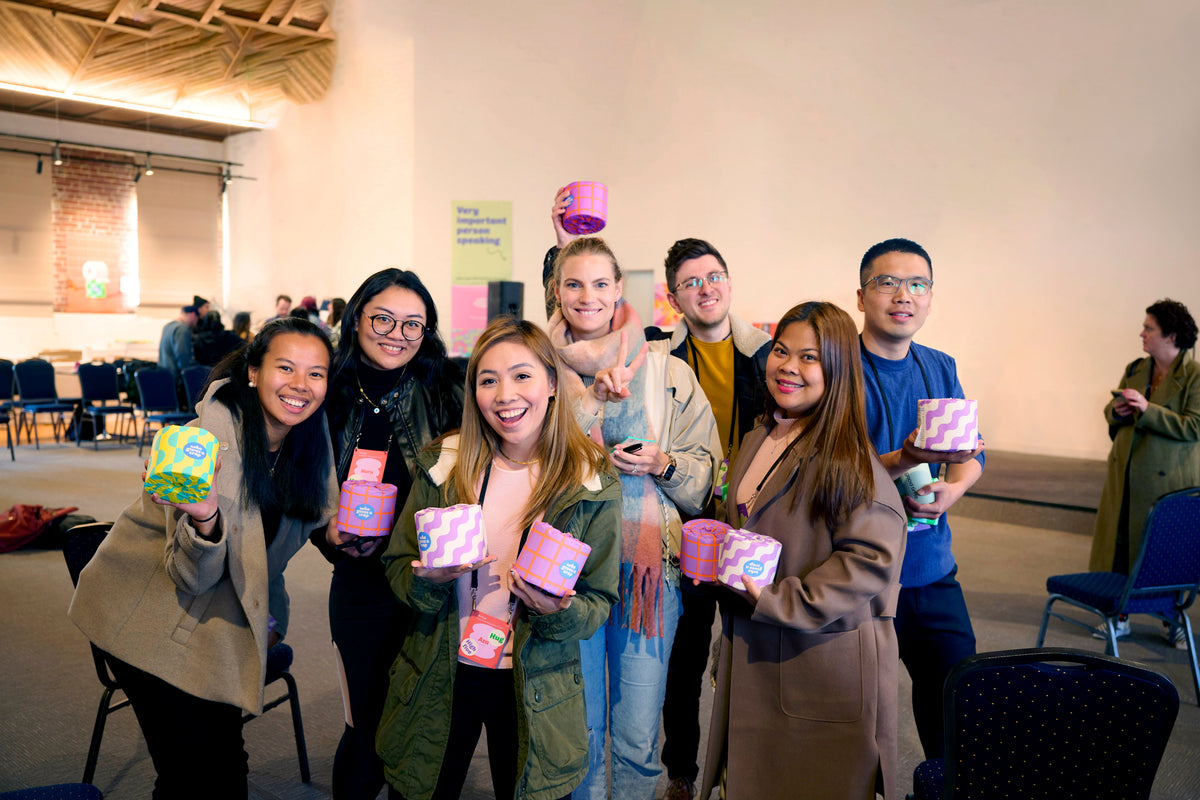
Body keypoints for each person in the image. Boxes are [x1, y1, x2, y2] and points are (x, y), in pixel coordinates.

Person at [68, 317, 338, 799]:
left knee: (222, 773)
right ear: (253, 372)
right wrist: (206, 516)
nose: (301, 385)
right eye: (286, 368)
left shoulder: (307, 448)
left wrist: (273, 610)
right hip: (147, 614)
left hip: (215, 617)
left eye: (316, 373)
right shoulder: (204, 445)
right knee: (195, 777)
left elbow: (270, 554)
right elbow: (190, 575)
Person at [377, 317, 621, 800]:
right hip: (443, 665)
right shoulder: (444, 465)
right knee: (422, 789)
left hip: (535, 679)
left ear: (552, 383)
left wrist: (560, 611)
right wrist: (428, 580)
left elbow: (599, 599)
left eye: (522, 376)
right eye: (488, 380)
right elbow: (398, 564)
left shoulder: (590, 482)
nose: (505, 394)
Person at [699, 301, 906, 800]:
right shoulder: (760, 436)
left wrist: (777, 600)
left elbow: (870, 561)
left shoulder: (850, 460)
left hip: (818, 664)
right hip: (757, 648)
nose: (788, 366)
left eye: (809, 358)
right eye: (781, 351)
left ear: (837, 370)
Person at [547, 236, 720, 800]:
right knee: (578, 730)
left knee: (639, 733)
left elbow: (707, 475)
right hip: (564, 572)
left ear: (620, 289)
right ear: (556, 290)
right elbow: (524, 460)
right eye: (573, 283)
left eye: (601, 284)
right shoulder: (536, 368)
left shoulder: (667, 371)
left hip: (647, 574)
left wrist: (663, 463)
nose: (588, 296)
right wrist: (589, 405)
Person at [310, 269, 464, 800]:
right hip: (359, 584)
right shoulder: (324, 392)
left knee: (424, 720)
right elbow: (300, 489)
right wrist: (326, 534)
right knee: (366, 724)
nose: (397, 334)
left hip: (432, 581)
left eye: (413, 324)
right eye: (383, 318)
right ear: (356, 319)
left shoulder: (446, 387)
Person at [855, 237, 985, 760]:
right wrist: (907, 458)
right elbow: (841, 472)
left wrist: (952, 489)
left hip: (932, 572)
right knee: (857, 724)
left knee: (958, 712)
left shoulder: (939, 366)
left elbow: (973, 453)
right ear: (861, 296)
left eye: (917, 284)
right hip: (860, 576)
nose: (902, 294)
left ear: (930, 297)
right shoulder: (839, 368)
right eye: (887, 282)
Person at [650, 238, 770, 800]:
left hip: (752, 523)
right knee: (685, 657)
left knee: (754, 653)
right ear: (674, 298)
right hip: (688, 519)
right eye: (692, 282)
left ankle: (744, 772)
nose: (707, 288)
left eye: (714, 275)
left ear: (729, 280)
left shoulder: (769, 355)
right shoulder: (657, 355)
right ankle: (681, 773)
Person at [1090, 299, 1200, 646]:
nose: (1142, 333)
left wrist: (1148, 410)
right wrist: (1118, 410)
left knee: (1163, 551)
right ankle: (1117, 614)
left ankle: (1173, 619)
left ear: (1170, 335)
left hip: (1168, 482)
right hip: (1126, 475)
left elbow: (1194, 426)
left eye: (1149, 328)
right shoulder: (1137, 368)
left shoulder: (1194, 377)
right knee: (1119, 547)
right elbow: (1111, 411)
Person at [158, 304, 199, 385]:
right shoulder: (182, 329)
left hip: (163, 375)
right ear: (193, 315)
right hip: (175, 378)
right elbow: (182, 355)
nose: (196, 324)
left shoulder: (167, 326)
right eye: (197, 319)